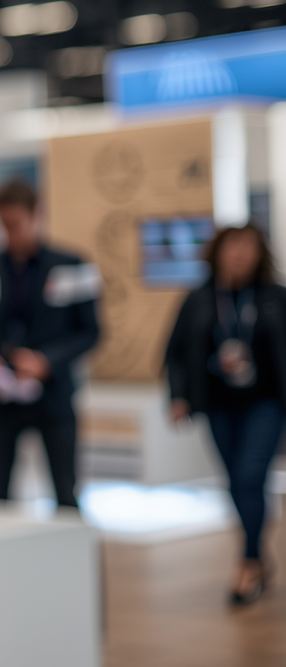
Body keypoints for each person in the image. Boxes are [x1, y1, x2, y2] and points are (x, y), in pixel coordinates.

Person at [0, 178, 99, 508]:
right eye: (2, 224)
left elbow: (90, 332)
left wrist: (46, 361)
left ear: (36, 215)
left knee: (66, 494)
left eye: (15, 224)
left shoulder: (73, 265)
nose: (8, 232)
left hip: (54, 396)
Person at [164, 224, 286, 605]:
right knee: (236, 483)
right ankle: (258, 556)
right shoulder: (198, 300)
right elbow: (175, 354)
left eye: (248, 247)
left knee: (250, 477)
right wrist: (179, 397)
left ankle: (248, 562)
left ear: (259, 254)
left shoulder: (275, 297)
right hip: (217, 405)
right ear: (217, 252)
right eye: (233, 247)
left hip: (266, 403)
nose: (239, 254)